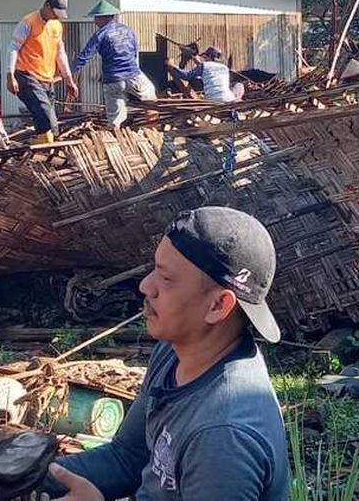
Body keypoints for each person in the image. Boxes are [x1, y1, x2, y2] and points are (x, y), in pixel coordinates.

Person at [43, 206, 289, 500]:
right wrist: (26, 475)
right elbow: (127, 458)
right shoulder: (174, 354)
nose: (145, 286)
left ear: (218, 306)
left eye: (166, 278)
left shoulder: (223, 437)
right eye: (154, 269)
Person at [72, 0, 156, 127]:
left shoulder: (100, 34)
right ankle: (152, 125)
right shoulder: (128, 30)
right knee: (150, 98)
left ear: (102, 18)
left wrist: (67, 73)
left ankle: (116, 131)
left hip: (113, 80)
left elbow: (84, 57)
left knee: (116, 118)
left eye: (96, 18)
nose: (94, 21)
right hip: (134, 75)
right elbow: (135, 53)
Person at [8, 0, 79, 144]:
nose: (56, 16)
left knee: (46, 119)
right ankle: (47, 142)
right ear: (47, 6)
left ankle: (44, 146)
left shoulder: (56, 25)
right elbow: (13, 48)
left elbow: (60, 53)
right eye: (54, 12)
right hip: (26, 75)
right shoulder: (28, 22)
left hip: (47, 78)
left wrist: (69, 79)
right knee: (46, 114)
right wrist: (10, 75)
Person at [167, 47, 244, 103]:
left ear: (207, 57)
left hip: (213, 101)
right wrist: (195, 58)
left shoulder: (204, 66)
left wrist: (172, 65)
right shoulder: (225, 68)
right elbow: (210, 71)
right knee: (239, 86)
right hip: (229, 99)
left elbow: (186, 76)